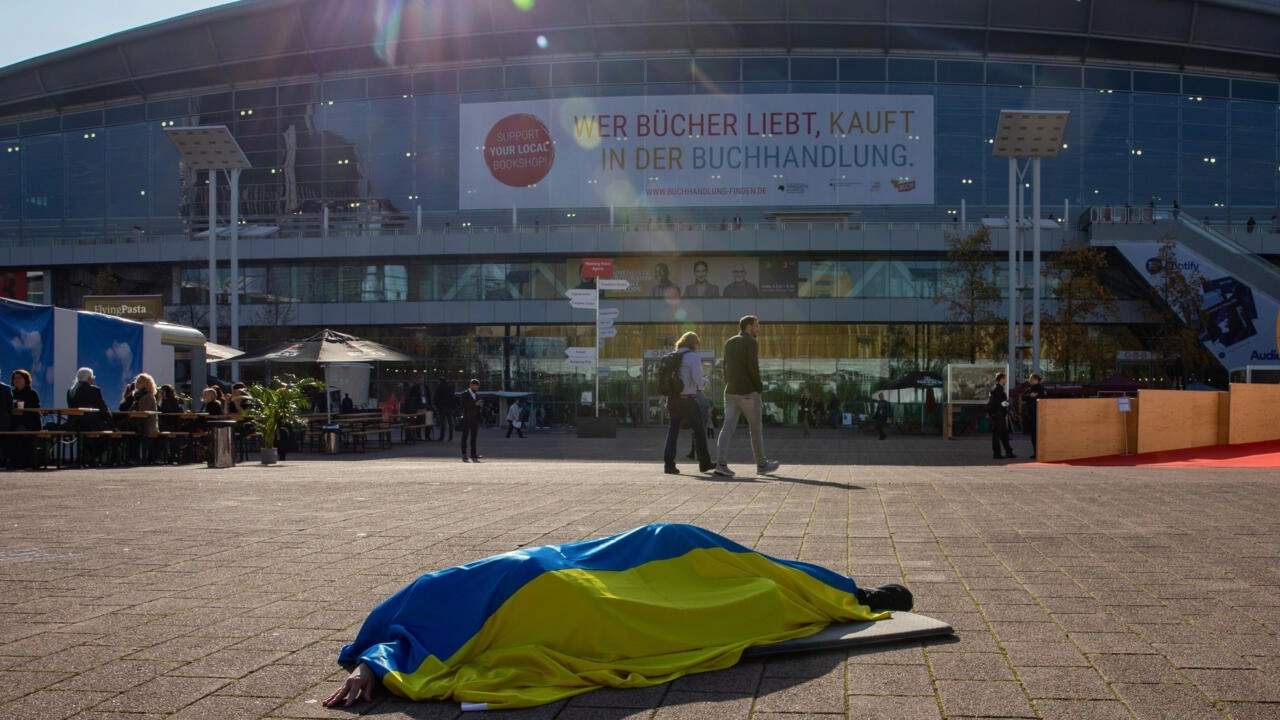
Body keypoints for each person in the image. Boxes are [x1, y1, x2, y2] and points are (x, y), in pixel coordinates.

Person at [322, 523, 913, 711]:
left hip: (597, 563)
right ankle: (860, 595)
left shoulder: (431, 591)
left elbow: (390, 635)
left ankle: (852, 590)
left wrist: (375, 662)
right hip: (588, 602)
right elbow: (390, 645)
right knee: (750, 603)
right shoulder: (420, 627)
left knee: (708, 552)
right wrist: (374, 667)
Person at [714, 316, 780, 477]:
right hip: (748, 392)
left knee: (727, 428)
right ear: (749, 327)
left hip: (730, 391)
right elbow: (753, 368)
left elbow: (724, 366)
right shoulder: (750, 342)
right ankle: (762, 465)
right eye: (757, 326)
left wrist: (729, 384)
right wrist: (759, 389)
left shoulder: (729, 342)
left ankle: (720, 464)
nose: (758, 329)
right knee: (756, 429)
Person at [663, 332, 713, 474]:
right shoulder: (693, 357)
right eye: (698, 344)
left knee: (672, 432)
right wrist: (705, 382)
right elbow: (698, 381)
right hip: (687, 400)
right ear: (694, 344)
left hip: (672, 399)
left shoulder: (671, 356)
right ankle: (704, 463)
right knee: (699, 431)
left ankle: (669, 465)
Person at [67, 367, 112, 465]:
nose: (93, 379)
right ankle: (89, 457)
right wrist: (111, 422)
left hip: (75, 424)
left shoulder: (71, 391)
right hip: (91, 424)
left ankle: (86, 456)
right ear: (88, 378)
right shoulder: (94, 390)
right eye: (92, 377)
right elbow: (103, 409)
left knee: (94, 435)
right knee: (110, 434)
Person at [10, 369, 40, 469]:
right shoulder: (11, 393)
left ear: (26, 380)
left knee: (20, 430)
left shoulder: (32, 393)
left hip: (29, 423)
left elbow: (33, 411)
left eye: (19, 378)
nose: (16, 380)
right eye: (14, 378)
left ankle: (22, 461)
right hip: (14, 421)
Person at [132, 373, 160, 464]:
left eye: (139, 382)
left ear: (146, 384)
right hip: (138, 422)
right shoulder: (136, 395)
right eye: (137, 382)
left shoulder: (148, 396)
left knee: (137, 435)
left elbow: (144, 412)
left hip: (148, 424)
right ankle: (134, 457)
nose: (137, 384)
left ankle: (142, 458)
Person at [987, 372, 1015, 459]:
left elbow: (993, 403)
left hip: (997, 415)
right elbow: (1000, 404)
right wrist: (1008, 402)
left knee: (1003, 435)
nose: (1006, 380)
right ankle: (997, 454)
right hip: (998, 415)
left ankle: (1008, 452)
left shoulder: (995, 389)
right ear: (1001, 379)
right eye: (1005, 378)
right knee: (997, 435)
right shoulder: (998, 390)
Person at [1021, 373, 1047, 459]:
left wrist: (1032, 397)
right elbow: (1023, 397)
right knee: (1033, 435)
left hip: (1039, 415)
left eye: (1031, 379)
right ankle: (1036, 452)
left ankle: (1041, 452)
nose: (1030, 381)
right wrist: (1030, 396)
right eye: (1030, 379)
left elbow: (1043, 398)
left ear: (1036, 380)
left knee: (1039, 435)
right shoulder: (1030, 389)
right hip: (1031, 415)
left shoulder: (1041, 389)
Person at [460, 378, 483, 462]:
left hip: (475, 418)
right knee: (465, 437)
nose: (477, 388)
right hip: (467, 418)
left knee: (474, 437)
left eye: (478, 387)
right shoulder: (464, 394)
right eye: (475, 386)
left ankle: (473, 454)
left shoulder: (477, 395)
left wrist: (480, 405)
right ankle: (464, 454)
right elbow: (463, 405)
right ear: (471, 385)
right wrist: (475, 403)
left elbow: (477, 407)